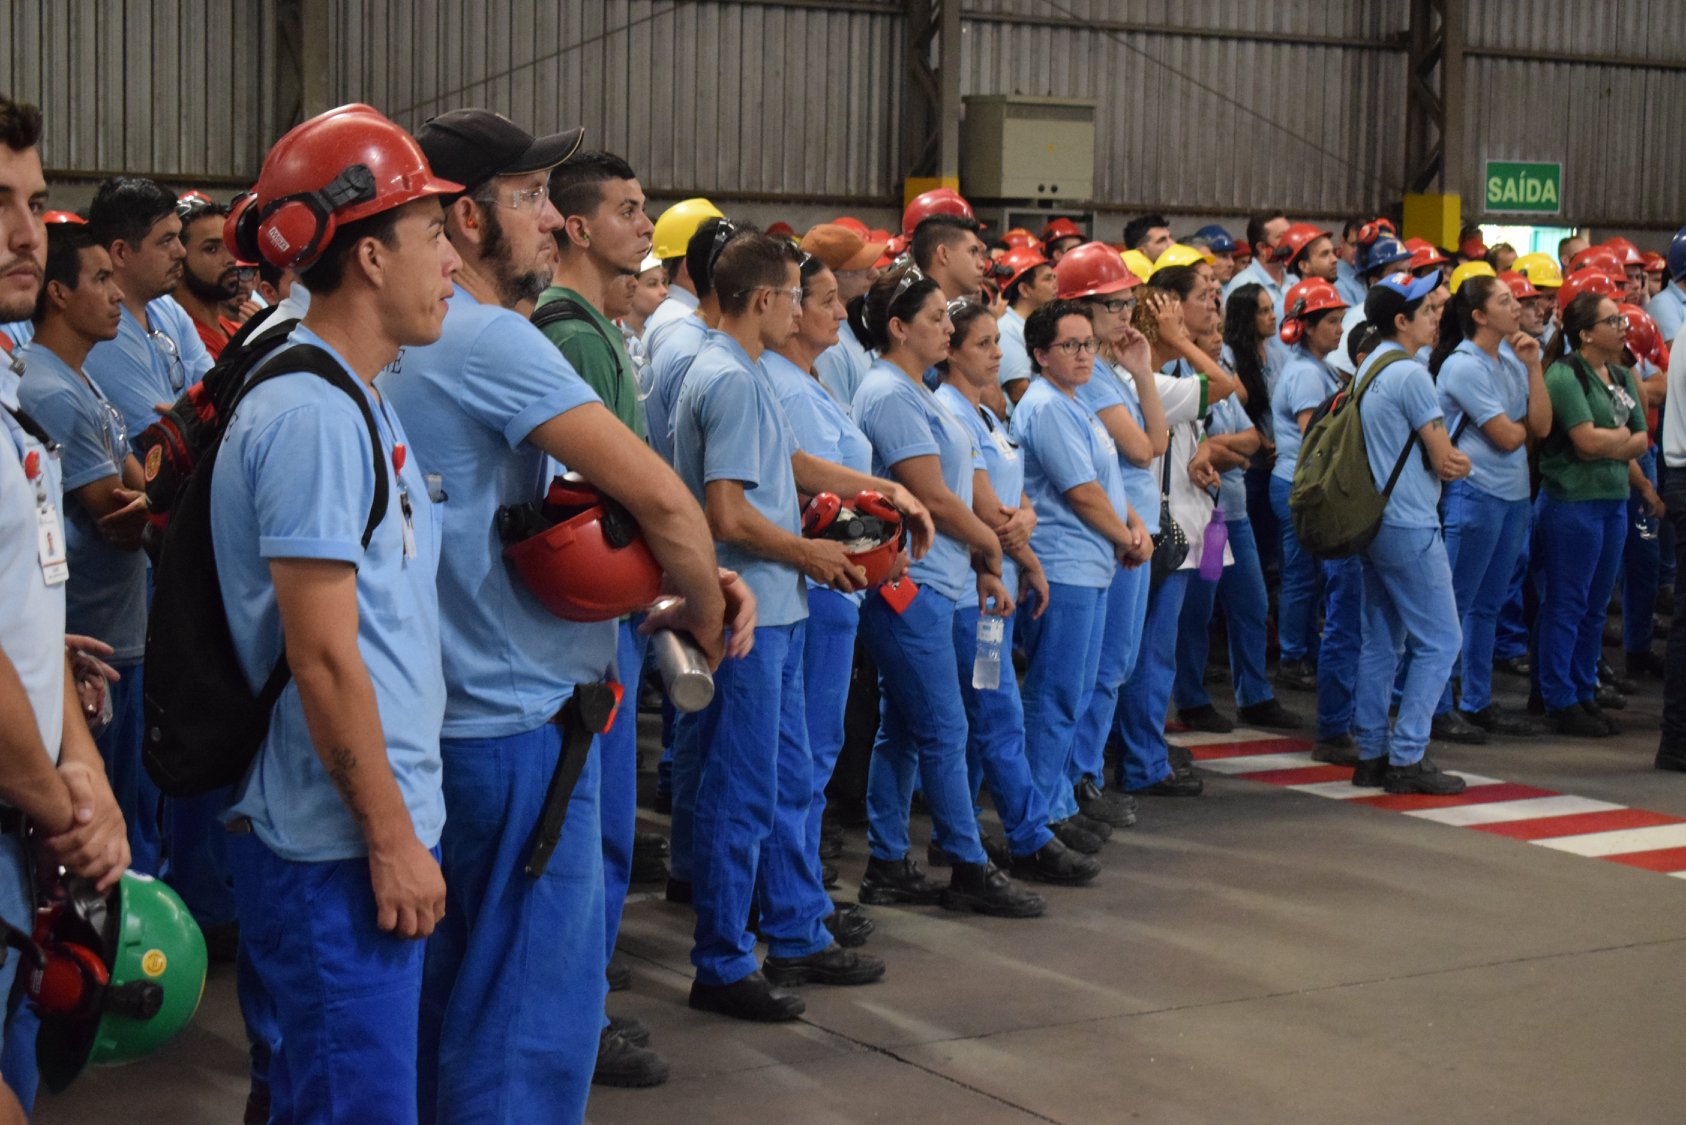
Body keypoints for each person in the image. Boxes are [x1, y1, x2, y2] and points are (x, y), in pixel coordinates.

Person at [389, 109, 726, 1118]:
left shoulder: (376, 342)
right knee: (528, 1025)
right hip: (522, 725)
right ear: (465, 218)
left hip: (434, 717)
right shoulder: (492, 338)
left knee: (445, 1013)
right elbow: (662, 497)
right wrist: (707, 609)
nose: (551, 219)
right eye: (529, 198)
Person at [209, 104, 461, 1124]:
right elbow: (321, 657)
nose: (454, 257)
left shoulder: (361, 396)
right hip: (335, 850)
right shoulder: (313, 414)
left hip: (350, 838)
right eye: (435, 232)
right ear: (365, 256)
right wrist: (392, 837)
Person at [531, 149, 676, 1085]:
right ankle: (576, 1019)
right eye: (628, 209)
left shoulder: (596, 328)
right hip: (594, 616)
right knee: (590, 836)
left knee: (605, 831)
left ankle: (581, 999)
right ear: (576, 227)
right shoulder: (575, 334)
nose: (645, 223)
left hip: (607, 615)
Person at [0, 93, 131, 1118]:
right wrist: (68, 809)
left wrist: (79, 776)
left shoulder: (10, 392)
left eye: (31, 202)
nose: (21, 233)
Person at [847, 263, 1044, 919]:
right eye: (934, 318)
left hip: (941, 578)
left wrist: (985, 558)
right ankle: (966, 862)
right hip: (911, 584)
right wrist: (990, 544)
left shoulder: (920, 390)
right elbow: (928, 494)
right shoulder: (889, 394)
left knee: (906, 728)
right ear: (898, 328)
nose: (945, 327)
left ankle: (887, 860)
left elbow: (956, 490)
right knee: (944, 725)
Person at [935, 300, 1096, 884]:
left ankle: (967, 830)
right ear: (950, 350)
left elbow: (1015, 497)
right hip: (968, 592)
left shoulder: (989, 413)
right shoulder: (950, 412)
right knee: (995, 710)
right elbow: (985, 507)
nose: (996, 353)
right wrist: (1017, 542)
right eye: (982, 344)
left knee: (986, 713)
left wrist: (1025, 544)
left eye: (994, 343)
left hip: (994, 583)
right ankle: (1026, 835)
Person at [17, 221, 158, 874]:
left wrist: (146, 503)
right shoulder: (46, 392)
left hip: (119, 632)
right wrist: (145, 505)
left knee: (127, 808)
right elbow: (118, 514)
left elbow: (143, 487)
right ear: (57, 294)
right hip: (92, 635)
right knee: (91, 838)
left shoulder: (85, 384)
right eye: (99, 280)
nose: (114, 295)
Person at [762, 251, 884, 929]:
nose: (841, 311)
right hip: (821, 583)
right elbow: (814, 496)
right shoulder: (783, 385)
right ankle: (792, 903)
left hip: (837, 586)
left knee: (815, 750)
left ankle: (797, 889)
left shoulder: (808, 379)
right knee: (804, 757)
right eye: (827, 299)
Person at [1013, 298, 1152, 843]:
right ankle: (1041, 810)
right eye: (1069, 346)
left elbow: (1111, 483)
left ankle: (1060, 798)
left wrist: (1134, 525)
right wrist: (1127, 538)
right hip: (1064, 564)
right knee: (1054, 694)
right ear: (1041, 355)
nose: (1083, 354)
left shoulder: (1078, 404)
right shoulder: (1047, 406)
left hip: (1092, 565)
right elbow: (1081, 493)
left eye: (1087, 344)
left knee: (1074, 690)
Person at [1111, 260, 1241, 796]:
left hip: (1180, 527)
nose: (1206, 314)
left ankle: (1141, 751)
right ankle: (1141, 762)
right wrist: (1175, 342)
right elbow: (1226, 383)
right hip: (1161, 537)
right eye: (1191, 309)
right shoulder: (1152, 382)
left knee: (1144, 653)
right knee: (1149, 655)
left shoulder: (1161, 382)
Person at [1347, 273, 1472, 793]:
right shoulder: (1412, 375)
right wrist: (1461, 462)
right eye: (1426, 309)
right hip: (1410, 520)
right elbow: (1444, 459)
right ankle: (1408, 757)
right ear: (1401, 321)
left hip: (1373, 520)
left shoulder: (1368, 366)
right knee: (1442, 639)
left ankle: (1372, 753)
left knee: (1382, 641)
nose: (1436, 315)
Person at [1060, 242, 1162, 818]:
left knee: (1115, 663)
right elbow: (1145, 448)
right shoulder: (1091, 378)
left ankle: (1084, 773)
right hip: (1113, 536)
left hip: (1132, 532)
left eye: (1128, 302)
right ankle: (1078, 778)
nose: (1126, 314)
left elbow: (1158, 443)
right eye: (1112, 304)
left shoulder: (1111, 372)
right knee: (1099, 666)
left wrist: (1144, 370)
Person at [1427, 274, 1552, 736]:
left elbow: (1539, 426)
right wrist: (1516, 425)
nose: (1518, 305)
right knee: (1454, 603)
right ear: (1479, 315)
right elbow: (1506, 436)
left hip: (1514, 495)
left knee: (1489, 604)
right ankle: (1437, 705)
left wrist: (1534, 367)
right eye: (1505, 300)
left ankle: (1477, 699)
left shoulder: (1515, 360)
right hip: (1474, 494)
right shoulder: (1464, 366)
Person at [1173, 322, 1302, 732]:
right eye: (1209, 331)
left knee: (1252, 604)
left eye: (1219, 329)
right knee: (1199, 611)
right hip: (1207, 519)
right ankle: (1191, 699)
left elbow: (1251, 438)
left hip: (1235, 516)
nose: (1218, 337)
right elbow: (1195, 452)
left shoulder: (1223, 384)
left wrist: (1218, 448)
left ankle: (1255, 695)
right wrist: (1218, 451)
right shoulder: (1184, 384)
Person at [1534, 291, 1652, 736]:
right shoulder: (1566, 376)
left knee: (1597, 606)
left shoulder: (1620, 375)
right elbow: (1584, 442)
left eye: (1621, 318)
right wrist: (1617, 441)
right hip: (1572, 504)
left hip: (1612, 501)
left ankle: (1583, 687)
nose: (1623, 326)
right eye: (1612, 320)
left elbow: (1642, 438)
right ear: (1586, 333)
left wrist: (1613, 441)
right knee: (1567, 602)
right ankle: (1557, 696)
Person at [1267, 278, 1351, 727]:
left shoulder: (1317, 368)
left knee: (1310, 576)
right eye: (1332, 322)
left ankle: (1303, 649)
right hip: (1297, 486)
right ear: (1307, 327)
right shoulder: (1304, 373)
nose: (1339, 329)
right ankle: (1294, 656)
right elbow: (1313, 437)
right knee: (1300, 576)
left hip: (1301, 486)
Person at [82, 176, 215, 438]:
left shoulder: (169, 309)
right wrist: (200, 413)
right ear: (120, 252)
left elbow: (220, 395)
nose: (181, 252)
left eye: (178, 237)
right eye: (166, 240)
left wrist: (194, 415)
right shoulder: (103, 331)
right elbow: (164, 438)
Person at [803, 222, 886, 409]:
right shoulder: (829, 348)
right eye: (862, 268)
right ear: (830, 276)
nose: (874, 273)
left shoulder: (856, 328)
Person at [169, 194, 244, 358]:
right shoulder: (180, 342)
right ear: (177, 259)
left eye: (229, 246)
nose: (231, 260)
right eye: (211, 249)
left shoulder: (237, 331)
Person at [644, 196, 724, 342]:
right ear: (690, 265)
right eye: (721, 257)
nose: (728, 266)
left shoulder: (676, 316)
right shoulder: (683, 326)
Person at [995, 246, 1054, 405]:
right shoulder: (1007, 329)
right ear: (1025, 289)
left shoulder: (1039, 326)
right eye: (1048, 279)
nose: (1055, 285)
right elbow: (1019, 392)